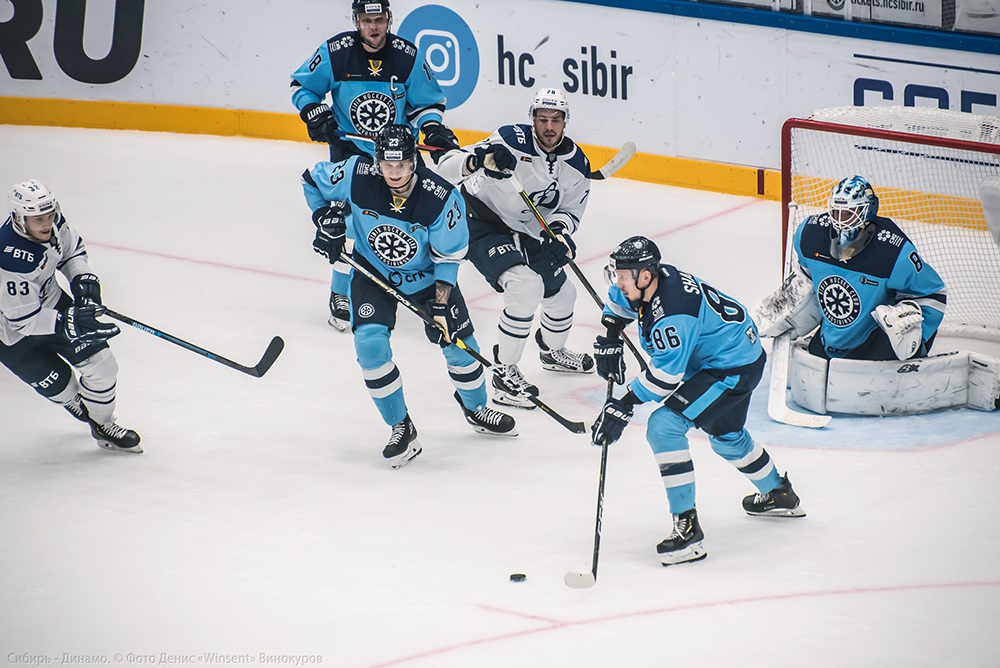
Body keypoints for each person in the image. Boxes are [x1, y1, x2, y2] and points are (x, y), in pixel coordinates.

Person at [301, 125, 516, 469]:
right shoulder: (357, 173)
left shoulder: (441, 197)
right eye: (388, 165)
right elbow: (312, 179)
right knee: (370, 347)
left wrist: (442, 307)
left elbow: (448, 258)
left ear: (415, 160)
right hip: (373, 273)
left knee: (461, 348)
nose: (396, 172)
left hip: (428, 280)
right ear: (377, 161)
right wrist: (323, 218)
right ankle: (401, 426)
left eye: (403, 164)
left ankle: (476, 409)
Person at [589, 236, 804, 566]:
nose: (617, 282)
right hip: (733, 356)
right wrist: (610, 335)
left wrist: (625, 404)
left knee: (664, 426)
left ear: (645, 276)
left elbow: (665, 377)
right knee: (727, 438)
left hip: (730, 369)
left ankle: (688, 530)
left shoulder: (675, 313)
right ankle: (779, 494)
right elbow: (621, 300)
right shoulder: (652, 278)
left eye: (622, 275)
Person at [290, 0, 461, 333]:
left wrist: (431, 127)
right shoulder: (336, 52)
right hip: (352, 152)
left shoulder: (406, 56)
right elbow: (302, 86)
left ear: (388, 19)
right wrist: (313, 110)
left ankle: (419, 285)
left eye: (379, 19)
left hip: (399, 154)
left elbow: (427, 103)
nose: (373, 26)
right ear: (356, 20)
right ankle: (342, 292)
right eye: (366, 20)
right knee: (347, 223)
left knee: (416, 219)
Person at [436, 87, 594, 410]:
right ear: (532, 119)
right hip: (482, 221)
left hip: (530, 230)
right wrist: (480, 161)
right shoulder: (508, 140)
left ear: (566, 122)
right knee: (525, 286)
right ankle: (504, 374)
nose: (549, 127)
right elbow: (446, 168)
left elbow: (570, 211)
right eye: (542, 119)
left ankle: (552, 352)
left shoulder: (577, 164)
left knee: (564, 295)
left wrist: (561, 233)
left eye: (556, 119)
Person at [0, 180, 141, 453]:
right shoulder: (9, 258)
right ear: (19, 219)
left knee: (103, 366)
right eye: (38, 219)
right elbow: (23, 321)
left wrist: (84, 282)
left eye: (50, 216)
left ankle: (103, 425)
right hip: (12, 336)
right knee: (63, 386)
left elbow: (71, 252)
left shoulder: (53, 223)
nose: (47, 224)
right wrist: (71, 322)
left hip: (53, 306)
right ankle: (73, 401)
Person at [758, 175, 948, 362]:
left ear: (869, 210)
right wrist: (790, 304)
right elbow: (808, 280)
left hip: (873, 343)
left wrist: (913, 343)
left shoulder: (893, 252)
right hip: (828, 341)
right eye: (837, 212)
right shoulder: (809, 234)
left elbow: (933, 294)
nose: (841, 220)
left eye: (849, 213)